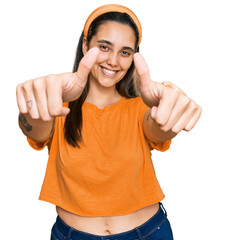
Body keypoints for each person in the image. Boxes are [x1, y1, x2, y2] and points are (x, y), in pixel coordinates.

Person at [16, 4, 202, 240]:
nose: (113, 61)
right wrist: (34, 106)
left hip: (148, 233)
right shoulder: (58, 107)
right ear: (85, 45)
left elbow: (157, 129)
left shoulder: (140, 108)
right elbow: (34, 129)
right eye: (104, 47)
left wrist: (167, 114)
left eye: (125, 52)